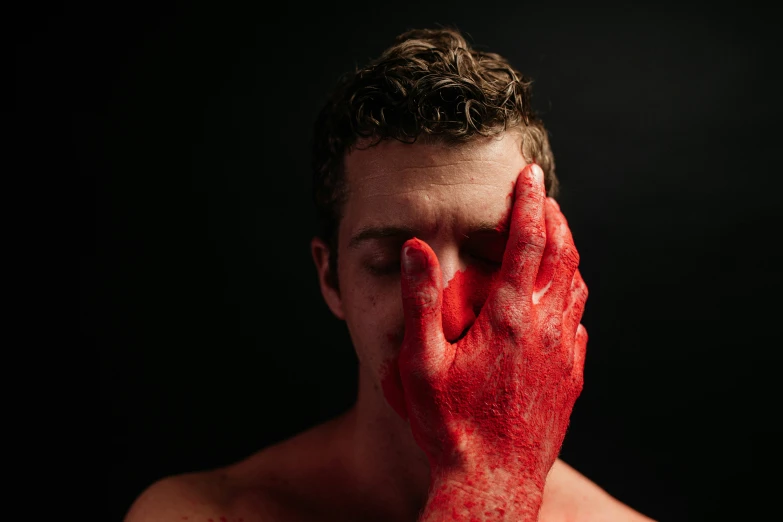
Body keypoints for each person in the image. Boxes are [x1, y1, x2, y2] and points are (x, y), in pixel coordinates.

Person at [124, 27, 655, 521]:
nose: (442, 304)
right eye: (391, 260)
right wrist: (484, 491)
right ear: (331, 280)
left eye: (493, 256)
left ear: (549, 276)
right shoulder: (196, 513)